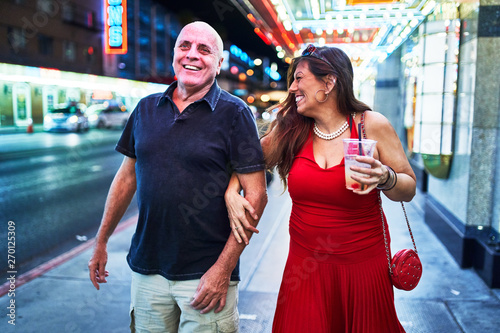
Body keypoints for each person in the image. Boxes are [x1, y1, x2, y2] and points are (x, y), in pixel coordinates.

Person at [88, 21, 267, 332]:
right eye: (184, 46)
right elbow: (127, 178)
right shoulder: (145, 109)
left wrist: (222, 270)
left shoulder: (235, 114)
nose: (192, 55)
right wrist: (101, 241)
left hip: (206, 274)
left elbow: (257, 195)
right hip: (147, 268)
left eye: (204, 49)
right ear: (174, 54)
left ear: (219, 63)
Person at [225, 44, 416, 332]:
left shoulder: (370, 125)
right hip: (305, 270)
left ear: (329, 82)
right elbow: (248, 160)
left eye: (299, 78)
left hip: (363, 267)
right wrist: (231, 190)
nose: (292, 88)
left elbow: (409, 187)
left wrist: (386, 177)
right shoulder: (292, 130)